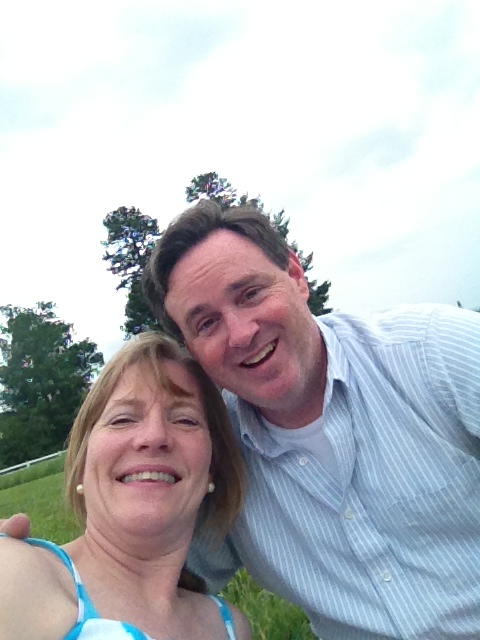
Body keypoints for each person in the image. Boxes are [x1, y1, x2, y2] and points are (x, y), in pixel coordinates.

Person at [3, 199, 480, 638]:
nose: (241, 333)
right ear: (192, 346)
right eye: (206, 323)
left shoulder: (436, 353)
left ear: (295, 275)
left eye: (250, 293)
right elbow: (139, 563)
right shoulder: (214, 449)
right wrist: (24, 568)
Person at [0, 331, 251, 640]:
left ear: (212, 470)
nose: (154, 437)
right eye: (122, 419)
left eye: (185, 420)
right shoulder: (20, 573)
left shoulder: (230, 626)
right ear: (81, 466)